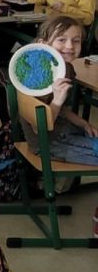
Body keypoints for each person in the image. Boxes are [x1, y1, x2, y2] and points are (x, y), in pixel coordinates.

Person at [19, 16, 98, 166]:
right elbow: (39, 127)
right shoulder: (38, 78)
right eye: (61, 40)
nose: (70, 46)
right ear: (43, 44)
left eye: (76, 41)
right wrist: (57, 100)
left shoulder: (66, 68)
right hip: (47, 143)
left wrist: (83, 124)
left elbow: (61, 110)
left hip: (63, 130)